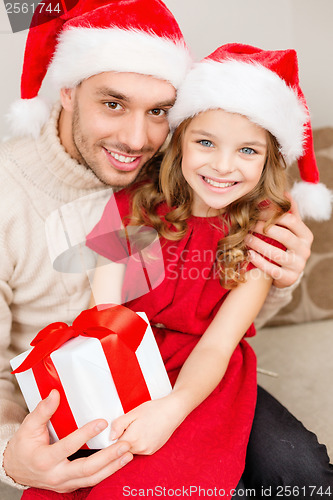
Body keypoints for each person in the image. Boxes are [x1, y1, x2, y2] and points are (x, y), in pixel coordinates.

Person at [0, 0, 328, 494]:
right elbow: (104, 310)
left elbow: (224, 326)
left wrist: (282, 272)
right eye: (113, 103)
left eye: (158, 112)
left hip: (200, 374)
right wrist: (12, 454)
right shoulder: (113, 200)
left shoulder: (179, 179)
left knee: (302, 476)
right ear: (66, 91)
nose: (137, 138)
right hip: (105, 367)